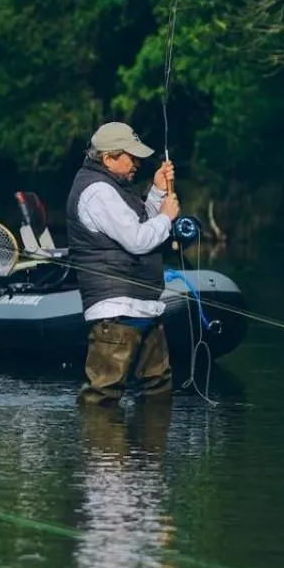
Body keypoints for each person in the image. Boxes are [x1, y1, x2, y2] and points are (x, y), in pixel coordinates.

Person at [65, 121, 181, 405]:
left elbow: (137, 223)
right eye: (130, 156)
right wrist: (167, 217)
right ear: (108, 158)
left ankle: (149, 451)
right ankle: (102, 450)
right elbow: (138, 240)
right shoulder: (98, 192)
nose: (137, 162)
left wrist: (156, 193)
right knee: (103, 397)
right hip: (116, 313)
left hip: (142, 307)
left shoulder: (115, 187)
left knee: (157, 391)